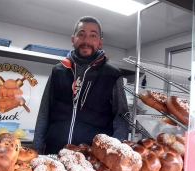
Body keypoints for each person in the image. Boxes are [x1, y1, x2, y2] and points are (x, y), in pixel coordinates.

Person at [32, 16, 129, 154]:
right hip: (54, 154)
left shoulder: (112, 74)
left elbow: (121, 118)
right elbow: (44, 112)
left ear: (100, 42)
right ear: (73, 40)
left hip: (92, 159)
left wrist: (115, 155)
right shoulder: (58, 70)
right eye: (81, 34)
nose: (86, 40)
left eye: (93, 35)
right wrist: (37, 149)